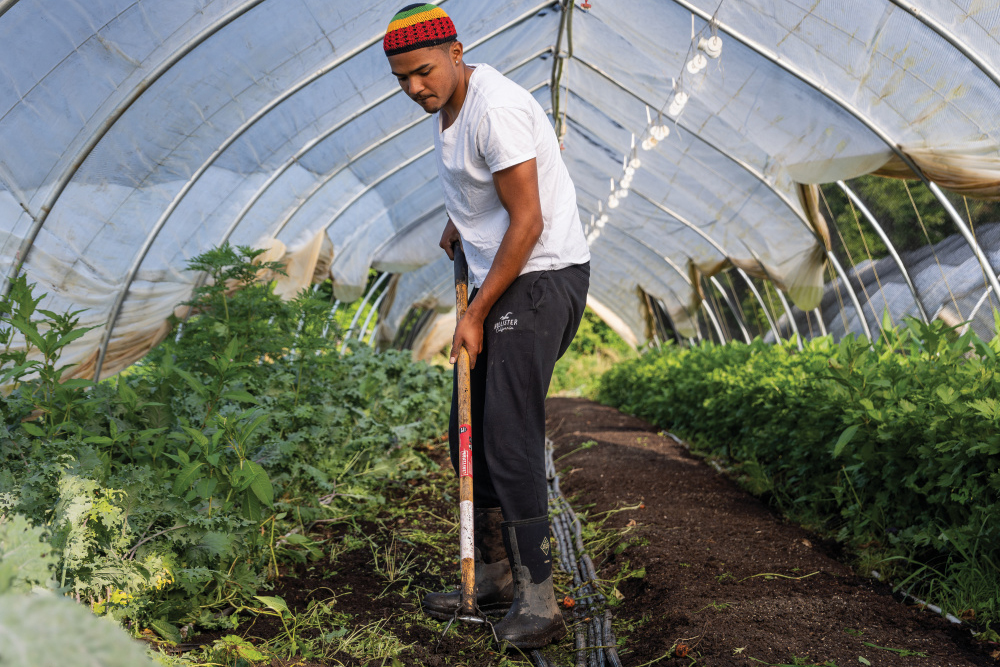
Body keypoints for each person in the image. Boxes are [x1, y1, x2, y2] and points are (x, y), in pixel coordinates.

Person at [384, 4, 591, 649]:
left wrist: (472, 311)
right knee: (465, 431)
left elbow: (526, 221)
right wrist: (463, 222)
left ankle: (539, 599)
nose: (416, 88)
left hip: (539, 279)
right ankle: (496, 575)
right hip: (508, 273)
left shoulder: (494, 109)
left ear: (455, 50)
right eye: (403, 80)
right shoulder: (450, 105)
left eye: (423, 72)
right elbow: (488, 194)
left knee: (506, 432)